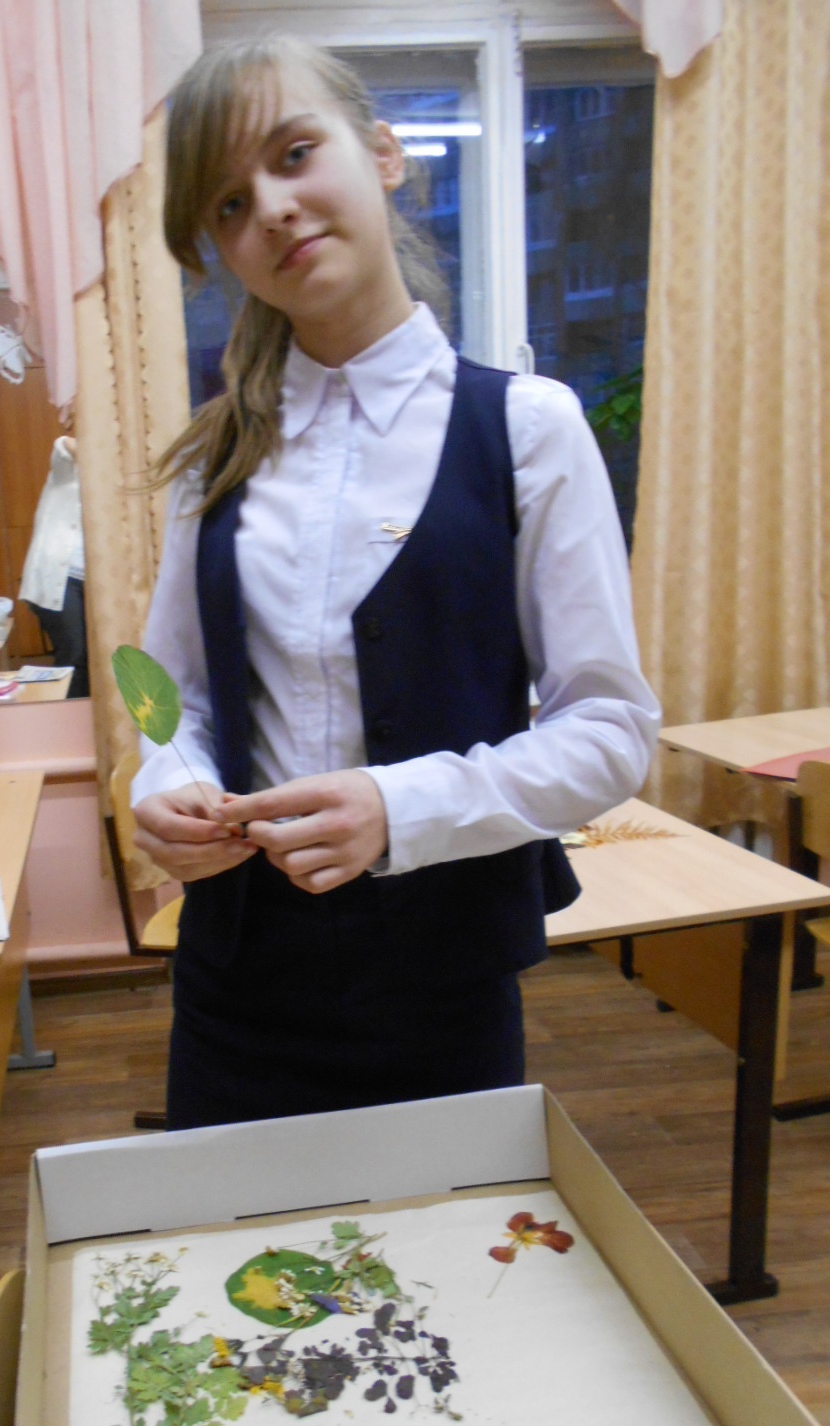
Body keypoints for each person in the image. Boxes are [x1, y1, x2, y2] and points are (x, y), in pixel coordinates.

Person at [130, 36, 661, 1131]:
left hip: (444, 985)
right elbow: (168, 693)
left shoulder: (528, 430)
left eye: (294, 153)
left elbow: (612, 732)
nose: (272, 208)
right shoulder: (214, 456)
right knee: (238, 1240)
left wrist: (399, 806)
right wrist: (162, 783)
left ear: (383, 154)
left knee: (446, 1244)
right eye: (229, 203)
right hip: (235, 986)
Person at [20, 430, 89, 697]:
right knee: (75, 654)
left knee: (96, 656)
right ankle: (70, 717)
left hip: (92, 579)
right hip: (60, 576)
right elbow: (62, 445)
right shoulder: (66, 472)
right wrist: (98, 454)